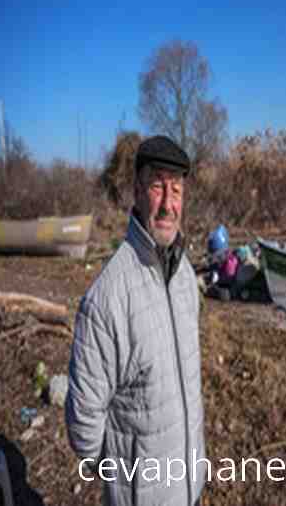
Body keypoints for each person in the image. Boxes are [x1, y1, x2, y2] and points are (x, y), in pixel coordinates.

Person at [66, 136, 206, 506]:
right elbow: (84, 424)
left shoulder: (186, 276)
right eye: (158, 187)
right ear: (138, 191)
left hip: (190, 485)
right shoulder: (106, 299)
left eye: (176, 190)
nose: (167, 204)